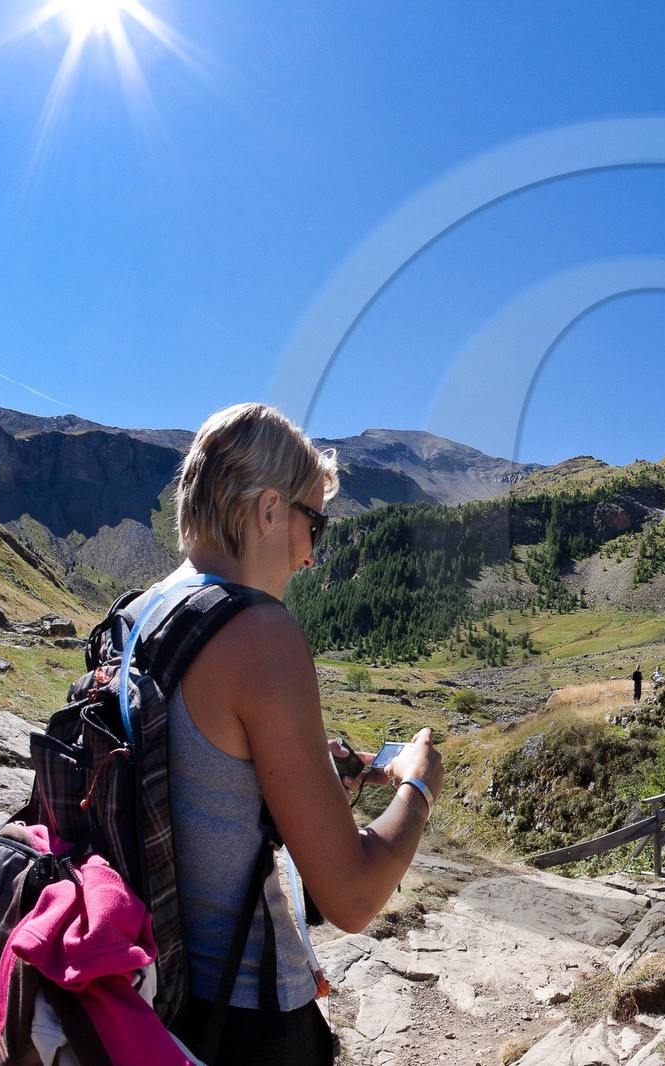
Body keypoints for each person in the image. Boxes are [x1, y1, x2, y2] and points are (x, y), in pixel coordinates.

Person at [161, 403, 442, 1064]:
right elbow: (350, 895)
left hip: (152, 1001)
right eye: (312, 522)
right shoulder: (258, 633)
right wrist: (421, 785)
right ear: (266, 511)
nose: (313, 555)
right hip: (247, 1021)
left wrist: (309, 775)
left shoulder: (134, 617)